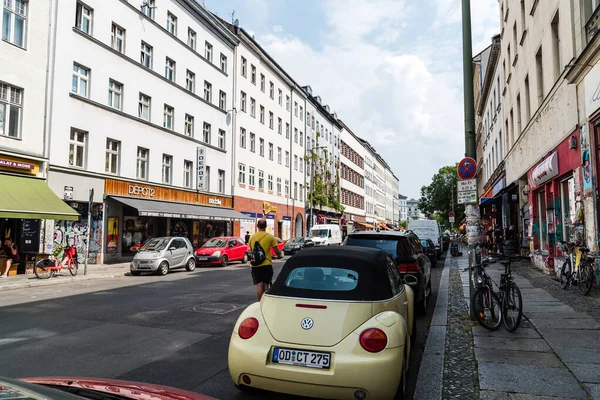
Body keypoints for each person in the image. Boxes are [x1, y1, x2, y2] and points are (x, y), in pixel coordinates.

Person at [249, 219, 282, 301]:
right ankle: (266, 302)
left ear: (257, 226)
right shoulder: (270, 237)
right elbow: (276, 250)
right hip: (266, 263)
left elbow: (251, 250)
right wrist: (279, 255)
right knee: (266, 284)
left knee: (259, 284)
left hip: (255, 264)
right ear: (266, 226)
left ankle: (260, 302)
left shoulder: (252, 237)